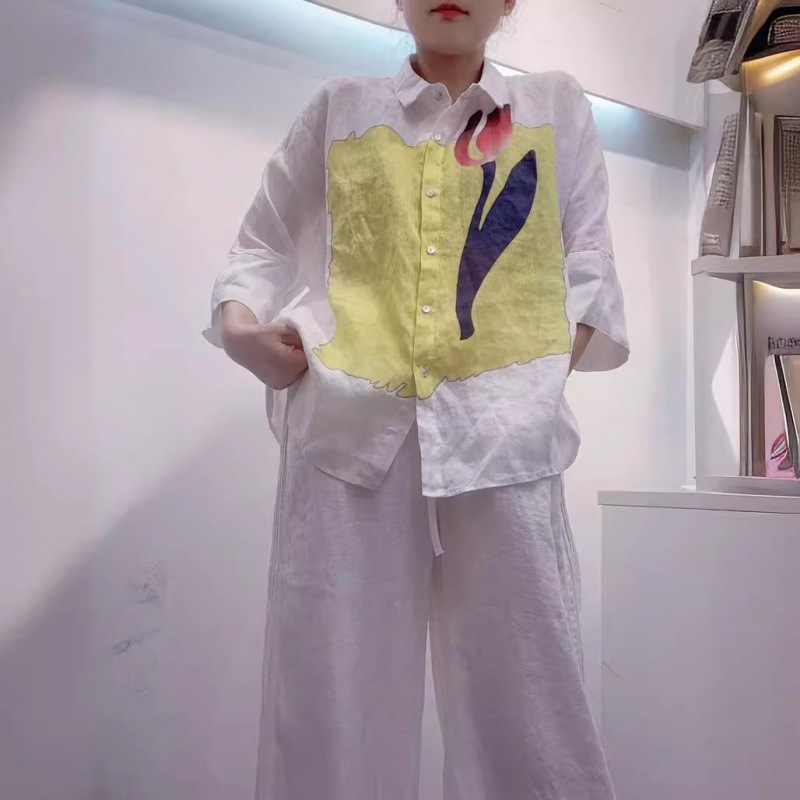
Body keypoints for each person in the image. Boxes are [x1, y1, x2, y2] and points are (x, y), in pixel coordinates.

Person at [205, 0, 629, 797]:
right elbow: (260, 242)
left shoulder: (555, 107)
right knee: (330, 687)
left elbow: (589, 260)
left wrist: (534, 382)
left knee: (532, 696)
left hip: (505, 438)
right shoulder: (340, 109)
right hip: (347, 430)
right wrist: (239, 329)